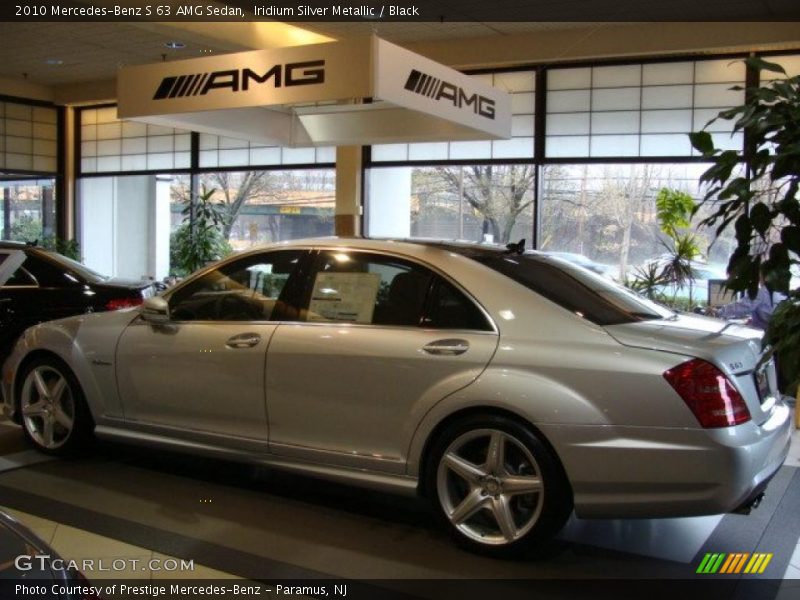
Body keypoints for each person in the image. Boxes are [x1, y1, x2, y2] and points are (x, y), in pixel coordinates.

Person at [716, 268, 786, 331]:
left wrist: (718, 312)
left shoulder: (763, 292)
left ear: (766, 278)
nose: (759, 280)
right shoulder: (782, 292)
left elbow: (742, 307)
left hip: (765, 334)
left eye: (760, 276)